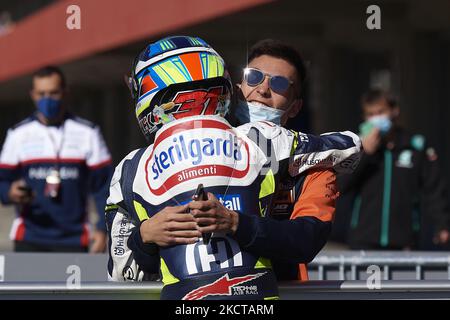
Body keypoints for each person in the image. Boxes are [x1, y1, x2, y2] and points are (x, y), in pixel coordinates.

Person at [105, 35, 361, 300]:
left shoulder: (313, 167)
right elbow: (126, 276)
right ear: (236, 87)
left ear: (296, 106)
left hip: (273, 297)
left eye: (280, 84)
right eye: (254, 78)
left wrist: (235, 222)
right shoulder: (132, 168)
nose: (263, 90)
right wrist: (145, 236)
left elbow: (306, 241)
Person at [0, 66, 113, 252]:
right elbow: (2, 181)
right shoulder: (18, 134)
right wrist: (9, 192)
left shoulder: (88, 133)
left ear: (65, 93)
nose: (47, 99)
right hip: (29, 238)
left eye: (53, 93)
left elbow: (104, 187)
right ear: (32, 95)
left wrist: (102, 229)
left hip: (76, 240)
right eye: (41, 93)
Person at [339, 89, 450, 250]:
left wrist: (443, 224)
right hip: (364, 240)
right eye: (370, 114)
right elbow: (342, 185)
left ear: (394, 111)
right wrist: (366, 154)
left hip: (404, 241)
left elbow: (435, 190)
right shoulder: (356, 147)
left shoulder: (415, 146)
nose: (376, 119)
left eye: (380, 112)